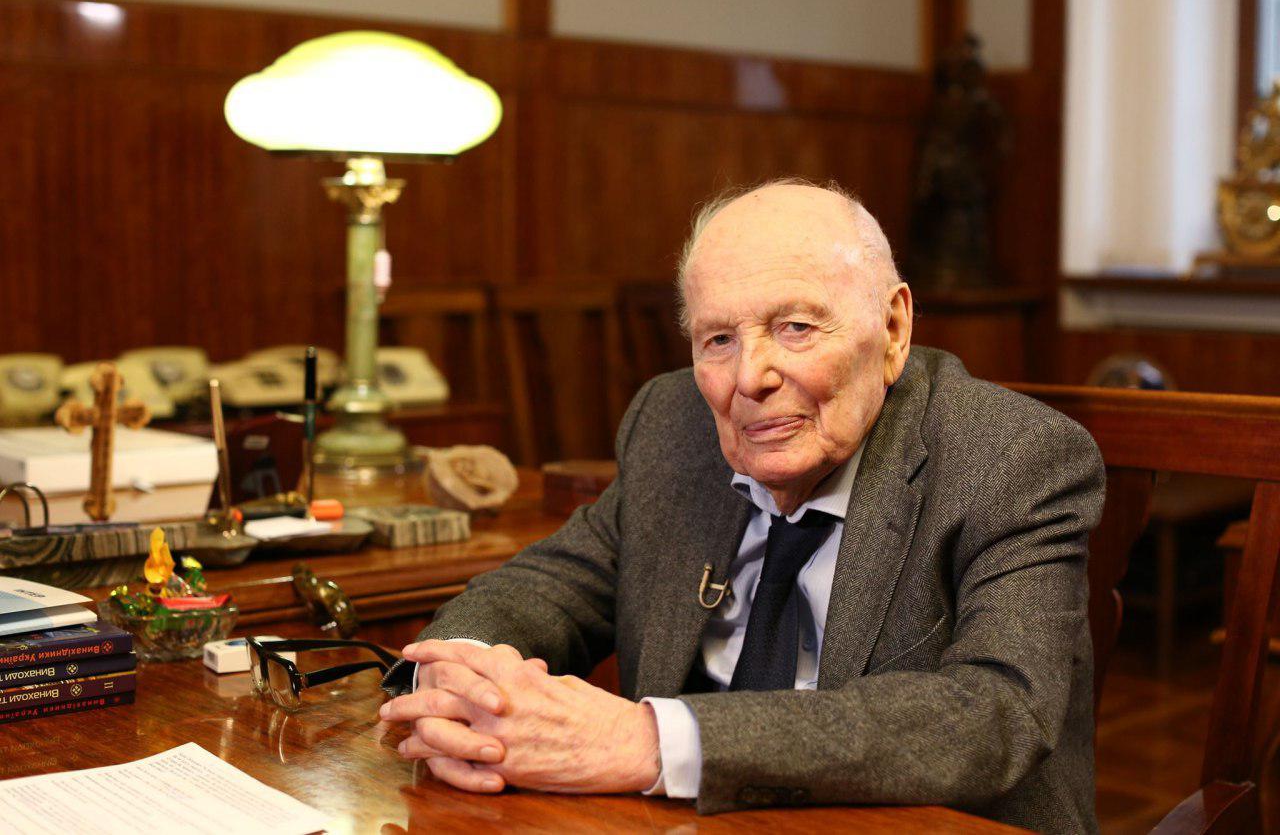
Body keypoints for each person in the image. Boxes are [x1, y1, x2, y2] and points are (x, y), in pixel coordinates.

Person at [379, 180, 1106, 833]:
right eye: (719, 339)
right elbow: (550, 585)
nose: (750, 377)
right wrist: (460, 674)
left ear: (893, 328)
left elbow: (995, 713)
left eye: (796, 328)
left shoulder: (1014, 458)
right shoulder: (673, 423)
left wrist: (647, 741)